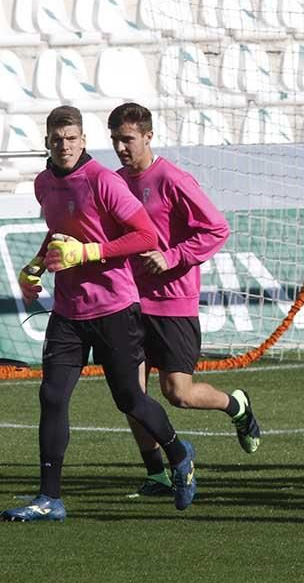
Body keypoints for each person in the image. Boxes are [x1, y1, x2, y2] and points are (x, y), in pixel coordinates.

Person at [4, 106, 196, 521]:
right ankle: (49, 499)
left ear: (83, 141)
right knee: (52, 396)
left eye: (72, 139)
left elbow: (146, 235)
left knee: (130, 399)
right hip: (69, 311)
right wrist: (36, 264)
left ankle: (180, 455)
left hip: (114, 307)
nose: (64, 146)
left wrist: (89, 252)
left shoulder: (103, 181)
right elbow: (60, 234)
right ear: (47, 143)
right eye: (57, 139)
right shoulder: (43, 183)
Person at [110, 102, 260, 497]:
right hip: (128, 302)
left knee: (178, 393)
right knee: (132, 395)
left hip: (173, 302)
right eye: (115, 141)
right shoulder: (113, 181)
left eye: (127, 139)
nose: (122, 148)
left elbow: (216, 229)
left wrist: (172, 256)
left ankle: (236, 406)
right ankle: (157, 473)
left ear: (148, 136)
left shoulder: (173, 180)